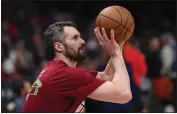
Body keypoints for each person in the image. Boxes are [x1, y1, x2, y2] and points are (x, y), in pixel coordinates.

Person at [22, 21, 132, 112]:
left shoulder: (57, 71)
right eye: (75, 38)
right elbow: (124, 95)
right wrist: (115, 54)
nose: (83, 41)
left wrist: (119, 45)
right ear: (59, 46)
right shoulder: (65, 75)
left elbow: (107, 76)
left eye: (80, 37)